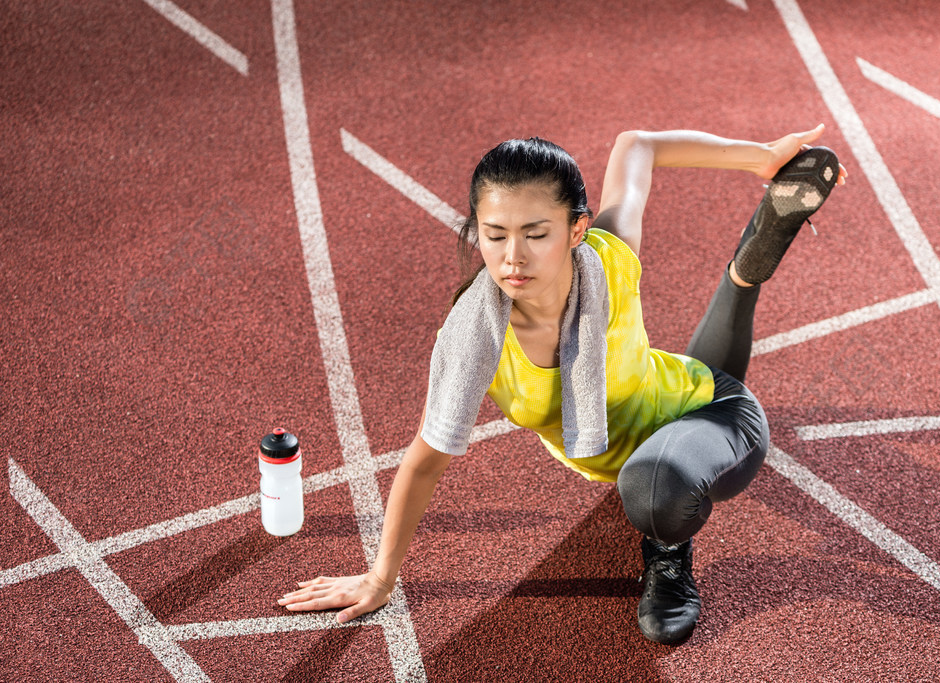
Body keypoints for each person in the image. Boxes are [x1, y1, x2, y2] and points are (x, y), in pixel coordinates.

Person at [278, 124, 846, 644]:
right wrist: (380, 577)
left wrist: (761, 158)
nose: (512, 257)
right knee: (647, 473)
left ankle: (668, 553)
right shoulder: (475, 338)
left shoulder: (607, 258)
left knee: (654, 489)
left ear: (577, 229)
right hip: (647, 422)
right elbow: (425, 458)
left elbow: (636, 144)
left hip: (716, 409)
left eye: (535, 233)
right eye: (494, 235)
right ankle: (749, 264)